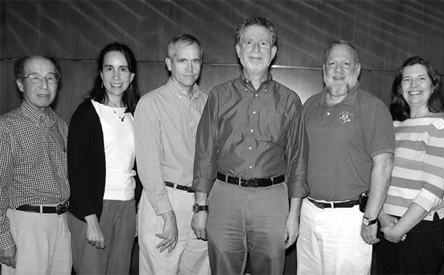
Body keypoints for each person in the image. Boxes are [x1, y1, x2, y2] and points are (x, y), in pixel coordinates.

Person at [192, 17, 308, 275]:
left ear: (273, 52)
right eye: (249, 42)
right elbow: (205, 154)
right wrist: (200, 207)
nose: (256, 49)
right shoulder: (219, 96)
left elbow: (298, 161)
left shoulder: (290, 101)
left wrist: (294, 215)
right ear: (238, 51)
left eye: (263, 43)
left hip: (273, 199)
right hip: (224, 196)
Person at [296, 40, 394, 275]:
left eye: (345, 64)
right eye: (332, 64)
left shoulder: (373, 108)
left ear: (357, 69)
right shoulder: (309, 106)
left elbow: (384, 165)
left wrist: (371, 218)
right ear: (323, 70)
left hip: (350, 220)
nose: (338, 70)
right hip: (308, 213)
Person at [375, 56, 444, 274]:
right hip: (388, 223)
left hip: (422, 227)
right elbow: (380, 176)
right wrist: (384, 218)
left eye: (421, 79)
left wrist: (399, 229)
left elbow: (433, 190)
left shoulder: (443, 126)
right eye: (407, 80)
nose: (414, 86)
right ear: (399, 88)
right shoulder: (393, 126)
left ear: (433, 85)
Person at [134, 34, 210, 275]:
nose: (190, 68)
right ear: (169, 63)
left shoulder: (209, 104)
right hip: (164, 202)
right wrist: (167, 215)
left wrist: (205, 207)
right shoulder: (151, 103)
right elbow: (148, 165)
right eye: (182, 61)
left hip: (200, 205)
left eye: (196, 61)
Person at [67, 42, 140, 274]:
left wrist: (136, 213)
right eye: (109, 68)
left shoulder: (135, 115)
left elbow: (139, 167)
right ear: (101, 74)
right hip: (95, 210)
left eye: (123, 69)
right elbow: (76, 169)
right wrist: (91, 221)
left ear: (131, 76)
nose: (116, 76)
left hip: (127, 208)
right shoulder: (87, 112)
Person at [0, 55, 71, 274]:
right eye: (35, 77)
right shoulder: (7, 127)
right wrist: (3, 238)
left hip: (61, 223)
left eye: (51, 78)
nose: (44, 85)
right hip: (27, 224)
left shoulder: (60, 125)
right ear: (20, 83)